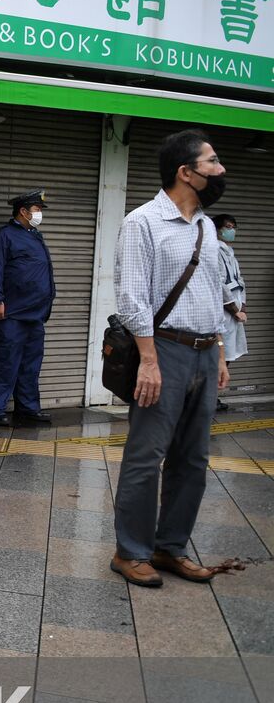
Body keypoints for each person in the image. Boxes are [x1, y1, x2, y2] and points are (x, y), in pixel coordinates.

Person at [111, 129, 230, 588]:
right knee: (147, 456)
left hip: (205, 352)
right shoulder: (142, 222)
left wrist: (220, 352)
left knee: (193, 459)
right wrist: (149, 360)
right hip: (163, 349)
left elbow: (212, 291)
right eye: (212, 162)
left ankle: (170, 546)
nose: (220, 170)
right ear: (186, 172)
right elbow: (132, 297)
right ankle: (131, 552)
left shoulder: (205, 225)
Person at [0, 189, 56, 427]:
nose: (40, 213)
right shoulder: (4, 236)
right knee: (6, 363)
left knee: (30, 365)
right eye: (37, 209)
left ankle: (28, 408)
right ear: (23, 211)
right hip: (12, 313)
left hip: (36, 314)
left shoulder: (35, 236)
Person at [213, 213, 247, 411]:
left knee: (227, 356)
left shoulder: (230, 253)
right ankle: (209, 397)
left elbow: (239, 281)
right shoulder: (215, 251)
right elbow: (219, 284)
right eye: (227, 227)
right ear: (217, 229)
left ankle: (213, 397)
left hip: (234, 313)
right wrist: (234, 309)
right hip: (223, 312)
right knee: (219, 354)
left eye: (233, 227)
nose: (231, 231)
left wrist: (243, 307)